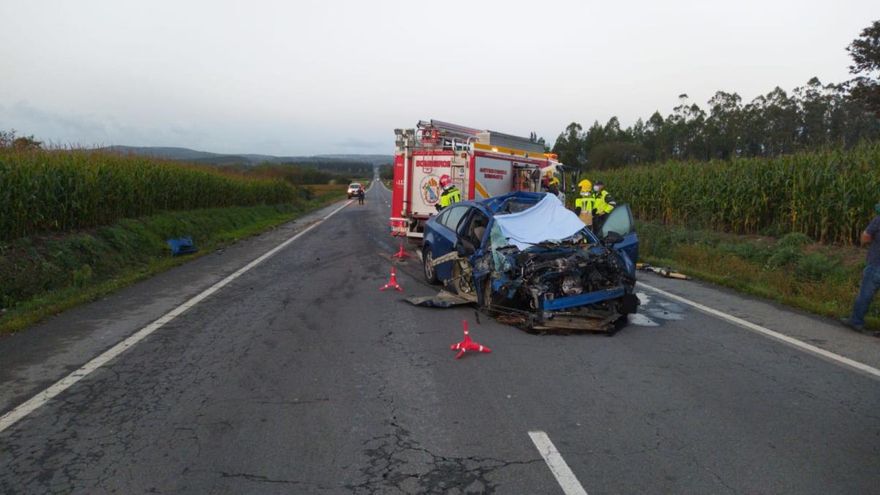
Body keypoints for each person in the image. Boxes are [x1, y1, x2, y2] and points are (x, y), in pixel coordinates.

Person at [841, 204, 880, 335]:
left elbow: (865, 237)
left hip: (876, 264)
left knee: (865, 294)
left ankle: (856, 321)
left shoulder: (878, 220)